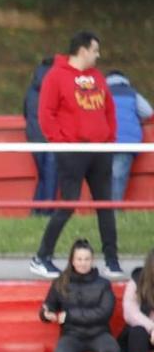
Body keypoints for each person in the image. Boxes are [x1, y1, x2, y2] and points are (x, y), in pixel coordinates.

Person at [32, 31, 122, 279]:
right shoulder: (56, 77)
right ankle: (41, 257)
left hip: (100, 151)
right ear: (83, 50)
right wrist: (63, 143)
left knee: (106, 206)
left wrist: (109, 141)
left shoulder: (97, 77)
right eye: (95, 50)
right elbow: (46, 114)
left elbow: (109, 110)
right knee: (68, 203)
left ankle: (112, 261)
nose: (98, 55)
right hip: (72, 151)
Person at [40, 240, 121, 352]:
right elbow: (49, 306)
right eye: (79, 259)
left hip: (99, 333)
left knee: (113, 351)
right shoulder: (60, 282)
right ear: (72, 260)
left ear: (92, 260)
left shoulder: (103, 284)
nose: (83, 263)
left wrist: (70, 315)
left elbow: (104, 313)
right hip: (72, 335)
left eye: (87, 259)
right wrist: (46, 314)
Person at [105, 69, 150, 205]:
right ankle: (114, 210)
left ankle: (105, 210)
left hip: (105, 142)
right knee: (118, 177)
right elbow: (148, 113)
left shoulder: (100, 93)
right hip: (127, 143)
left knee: (104, 177)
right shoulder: (133, 94)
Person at [23, 57, 56, 213]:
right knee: (51, 176)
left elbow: (25, 112)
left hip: (34, 136)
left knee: (42, 175)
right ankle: (47, 211)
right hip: (50, 137)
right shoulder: (56, 85)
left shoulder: (31, 88)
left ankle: (36, 211)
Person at [123, 254, 154, 352]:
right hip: (137, 335)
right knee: (138, 331)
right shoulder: (136, 281)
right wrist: (152, 328)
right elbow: (130, 312)